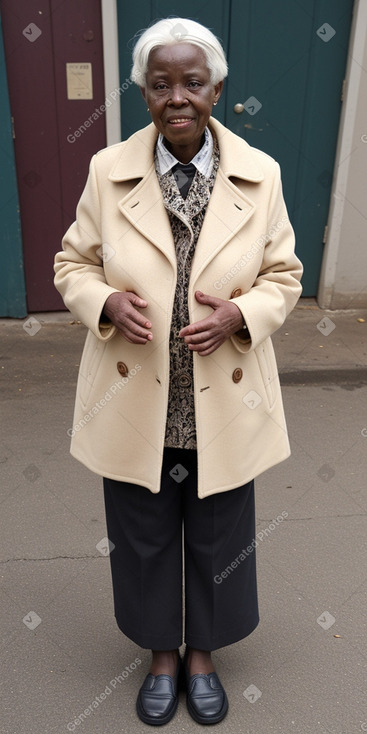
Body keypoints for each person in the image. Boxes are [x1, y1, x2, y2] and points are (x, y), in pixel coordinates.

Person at [54, 16, 303, 726]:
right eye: (160, 83)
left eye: (192, 82)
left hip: (223, 395)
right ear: (144, 94)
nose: (177, 96)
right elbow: (72, 261)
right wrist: (101, 299)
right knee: (142, 528)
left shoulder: (261, 176)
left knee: (220, 529)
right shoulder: (109, 171)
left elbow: (283, 275)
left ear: (216, 89)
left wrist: (241, 315)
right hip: (134, 398)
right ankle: (162, 653)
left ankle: (204, 656)